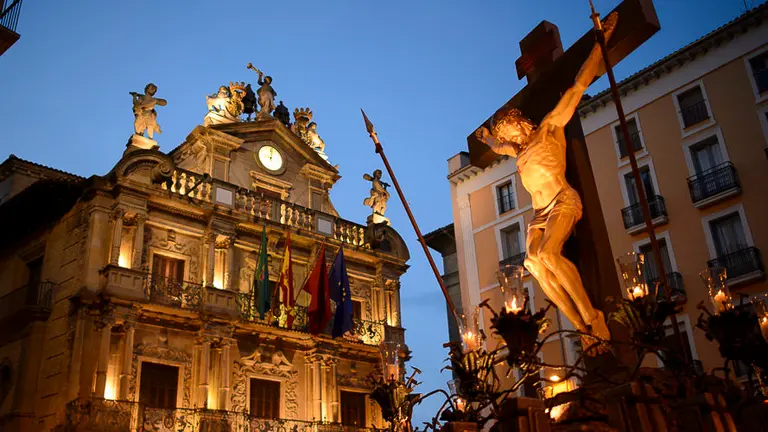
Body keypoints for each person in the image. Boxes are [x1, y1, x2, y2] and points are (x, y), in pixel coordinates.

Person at [475, 12, 618, 342]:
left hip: (562, 202)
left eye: (507, 130)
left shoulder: (550, 129)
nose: (506, 136)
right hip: (539, 216)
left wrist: (602, 41)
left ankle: (593, 316)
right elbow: (499, 147)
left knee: (550, 255)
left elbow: (578, 85)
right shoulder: (519, 150)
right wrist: (486, 141)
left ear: (519, 123)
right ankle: (581, 326)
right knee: (535, 264)